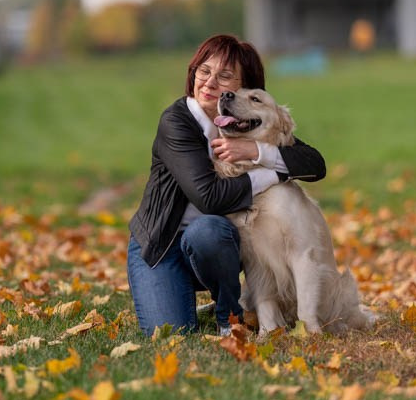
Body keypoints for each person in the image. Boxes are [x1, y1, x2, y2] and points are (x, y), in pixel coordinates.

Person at [128, 34, 326, 336]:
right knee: (171, 332)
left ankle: (228, 317)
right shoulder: (177, 122)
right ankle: (185, 296)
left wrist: (258, 152)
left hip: (213, 246)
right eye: (203, 71)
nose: (209, 83)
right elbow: (210, 199)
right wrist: (271, 173)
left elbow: (313, 163)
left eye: (224, 76)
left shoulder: (249, 128)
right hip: (161, 248)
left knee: (210, 231)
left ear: (242, 88)